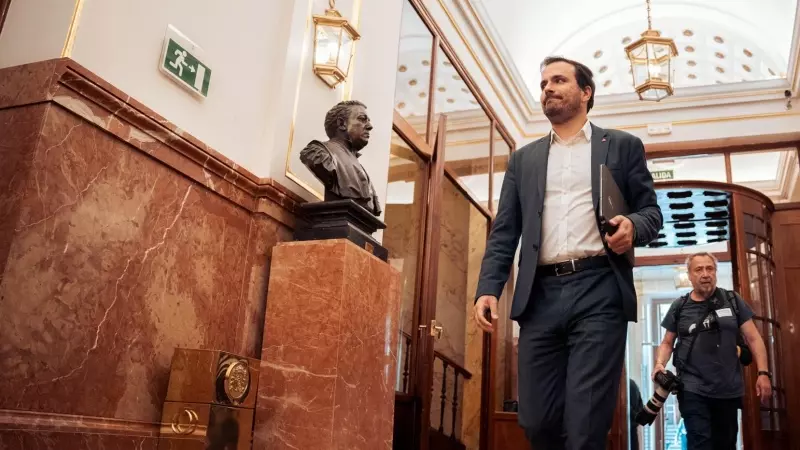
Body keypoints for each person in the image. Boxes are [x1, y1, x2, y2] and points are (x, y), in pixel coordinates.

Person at [473, 56, 663, 450]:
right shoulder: (523, 160)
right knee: (537, 420)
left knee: (585, 423)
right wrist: (488, 287)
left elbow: (651, 213)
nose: (548, 88)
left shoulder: (623, 146)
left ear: (586, 92)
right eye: (543, 83)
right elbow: (506, 229)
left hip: (599, 289)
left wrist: (632, 227)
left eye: (558, 80)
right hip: (539, 295)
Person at [653, 252, 772, 450]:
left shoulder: (732, 300)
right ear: (690, 275)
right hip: (692, 389)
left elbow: (753, 338)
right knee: (700, 443)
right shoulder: (679, 307)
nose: (705, 274)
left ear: (715, 272)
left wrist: (763, 373)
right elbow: (667, 342)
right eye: (699, 269)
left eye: (710, 268)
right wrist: (659, 364)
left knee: (725, 444)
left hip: (727, 390)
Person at [300, 100, 382, 216]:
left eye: (368, 121)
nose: (370, 126)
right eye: (362, 119)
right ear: (342, 123)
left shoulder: (361, 168)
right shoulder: (318, 153)